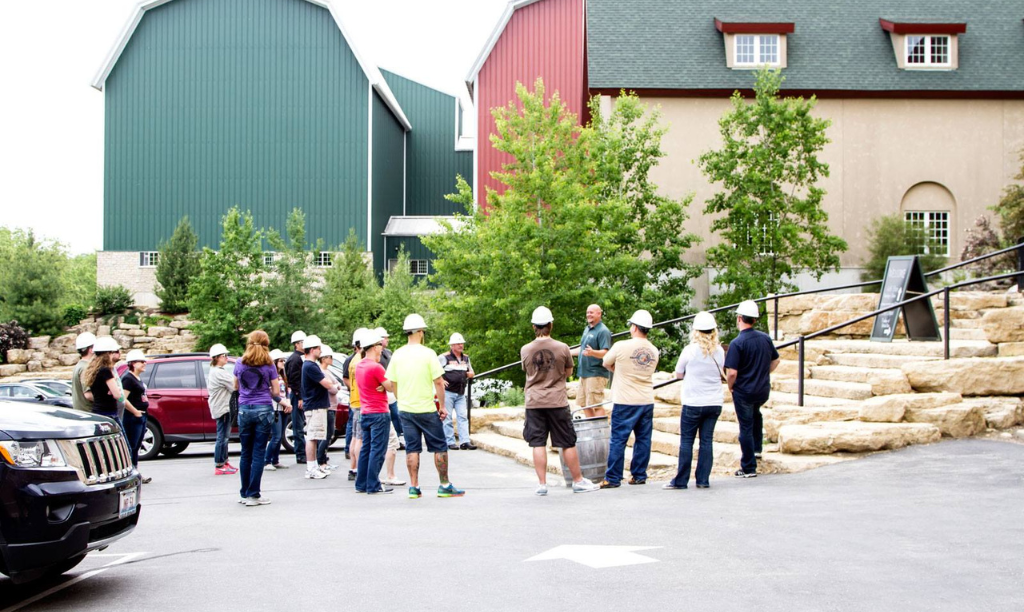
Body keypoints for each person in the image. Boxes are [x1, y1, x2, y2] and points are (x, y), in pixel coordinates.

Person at [520, 307, 600, 496]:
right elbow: (569, 371)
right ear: (551, 325)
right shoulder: (562, 347)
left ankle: (542, 484)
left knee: (538, 442)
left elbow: (527, 371)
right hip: (557, 401)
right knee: (567, 442)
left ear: (533, 326)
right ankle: (578, 481)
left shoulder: (525, 349)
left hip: (534, 402)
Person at [386, 313, 465, 499]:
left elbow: (392, 382)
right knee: (440, 446)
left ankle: (414, 487)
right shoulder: (428, 353)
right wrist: (442, 406)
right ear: (421, 332)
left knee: (412, 448)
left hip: (406, 409)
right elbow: (438, 382)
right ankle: (444, 485)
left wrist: (400, 398)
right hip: (426, 409)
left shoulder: (397, 354)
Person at [664, 312, 725, 490]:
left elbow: (679, 373)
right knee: (706, 441)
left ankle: (681, 480)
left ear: (696, 331)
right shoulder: (720, 351)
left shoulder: (689, 350)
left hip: (693, 401)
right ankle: (703, 480)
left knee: (686, 442)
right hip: (714, 401)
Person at [600, 310, 660, 489]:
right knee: (643, 439)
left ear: (634, 327)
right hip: (646, 399)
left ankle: (613, 477)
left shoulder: (621, 346)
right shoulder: (654, 350)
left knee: (618, 439)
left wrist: (618, 370)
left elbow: (605, 362)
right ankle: (639, 475)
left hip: (625, 399)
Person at [725, 300, 780, 478]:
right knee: (756, 415)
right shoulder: (765, 338)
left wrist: (730, 386)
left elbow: (732, 372)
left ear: (739, 318)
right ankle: (757, 449)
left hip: (744, 390)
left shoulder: (737, 343)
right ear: (755, 320)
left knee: (745, 426)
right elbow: (776, 360)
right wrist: (763, 373)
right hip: (762, 389)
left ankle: (748, 466)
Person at [234, 330, 288, 506]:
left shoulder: (239, 362)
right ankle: (254, 494)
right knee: (258, 452)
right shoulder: (269, 364)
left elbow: (235, 386)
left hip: (244, 409)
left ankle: (244, 493)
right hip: (263, 409)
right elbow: (275, 391)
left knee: (245, 453)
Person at [355, 330, 396, 494]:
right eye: (380, 345)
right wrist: (386, 384)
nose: (382, 348)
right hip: (379, 412)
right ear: (374, 347)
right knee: (378, 450)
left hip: (365, 412)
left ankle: (361, 483)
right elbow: (391, 387)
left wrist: (382, 385)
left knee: (366, 449)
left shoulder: (360, 366)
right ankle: (373, 484)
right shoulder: (376, 367)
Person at [300, 335, 337, 480]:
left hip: (315, 405)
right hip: (315, 406)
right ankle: (311, 468)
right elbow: (327, 384)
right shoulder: (310, 366)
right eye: (318, 348)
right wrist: (332, 384)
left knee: (314, 437)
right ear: (312, 349)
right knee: (312, 437)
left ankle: (314, 466)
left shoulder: (310, 365)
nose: (320, 351)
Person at [570, 304, 612, 418]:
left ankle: (601, 428)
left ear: (599, 313)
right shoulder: (587, 329)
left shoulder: (603, 331)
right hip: (584, 373)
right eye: (587, 312)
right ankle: (592, 427)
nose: (589, 314)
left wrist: (593, 352)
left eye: (591, 312)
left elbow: (606, 352)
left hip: (596, 374)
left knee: (596, 405)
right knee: (584, 404)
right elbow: (583, 349)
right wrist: (567, 352)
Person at [84, 337, 136, 422]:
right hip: (108, 413)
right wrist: (116, 392)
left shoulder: (94, 370)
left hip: (97, 411)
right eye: (112, 352)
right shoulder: (106, 371)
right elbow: (118, 395)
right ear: (108, 353)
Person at [119, 350, 152, 484]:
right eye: (141, 361)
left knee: (137, 446)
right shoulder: (128, 378)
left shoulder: (137, 378)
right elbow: (123, 398)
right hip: (133, 417)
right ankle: (131, 474)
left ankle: (135, 472)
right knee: (132, 446)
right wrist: (135, 411)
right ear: (132, 363)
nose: (144, 363)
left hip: (142, 415)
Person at [440, 333, 476, 450]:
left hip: (460, 392)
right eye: (458, 343)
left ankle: (465, 441)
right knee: (447, 417)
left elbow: (471, 371)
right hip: (448, 392)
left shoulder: (466, 358)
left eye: (462, 343)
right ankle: (449, 441)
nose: (461, 345)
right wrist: (441, 380)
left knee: (462, 417)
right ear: (452, 345)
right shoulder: (444, 357)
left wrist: (470, 374)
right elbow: (434, 371)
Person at [207, 344, 238, 475]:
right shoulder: (218, 372)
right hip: (222, 408)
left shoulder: (218, 370)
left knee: (225, 436)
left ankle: (224, 461)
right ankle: (219, 464)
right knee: (222, 437)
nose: (226, 358)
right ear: (216, 358)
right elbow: (234, 386)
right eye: (224, 355)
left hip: (222, 407)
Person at [343, 328, 368, 480]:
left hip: (354, 401)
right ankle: (359, 470)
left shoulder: (353, 360)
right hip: (361, 402)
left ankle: (353, 468)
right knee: (360, 438)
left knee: (354, 437)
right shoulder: (360, 361)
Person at [376, 327, 405, 448]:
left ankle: (396, 438)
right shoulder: (375, 356)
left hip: (391, 388)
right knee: (385, 416)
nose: (387, 340)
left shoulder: (388, 353)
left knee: (395, 415)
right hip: (381, 389)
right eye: (385, 338)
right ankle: (387, 440)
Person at [264, 349, 291, 471]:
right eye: (281, 361)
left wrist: (288, 403)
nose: (283, 363)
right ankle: (267, 461)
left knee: (280, 436)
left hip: (283, 407)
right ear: (274, 362)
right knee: (276, 436)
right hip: (275, 408)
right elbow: (273, 394)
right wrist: (285, 403)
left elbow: (286, 391)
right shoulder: (270, 375)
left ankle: (275, 460)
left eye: (284, 361)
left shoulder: (282, 375)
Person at [316, 345, 341, 472]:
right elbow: (332, 388)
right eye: (330, 357)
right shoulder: (323, 372)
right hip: (329, 405)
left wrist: (335, 385)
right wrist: (335, 386)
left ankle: (324, 459)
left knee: (328, 433)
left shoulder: (328, 371)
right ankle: (321, 461)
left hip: (332, 405)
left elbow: (337, 384)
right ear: (324, 358)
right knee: (328, 434)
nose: (331, 359)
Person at [285, 330, 307, 464]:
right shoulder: (295, 359)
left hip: (299, 394)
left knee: (301, 424)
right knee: (298, 425)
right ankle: (300, 454)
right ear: (297, 344)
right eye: (302, 342)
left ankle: (303, 452)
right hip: (297, 395)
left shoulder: (300, 357)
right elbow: (294, 380)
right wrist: (299, 397)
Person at [71, 332, 96, 412]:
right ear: (91, 350)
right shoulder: (85, 367)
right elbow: (88, 395)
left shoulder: (79, 365)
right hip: (88, 412)